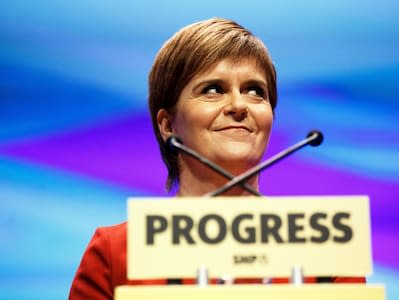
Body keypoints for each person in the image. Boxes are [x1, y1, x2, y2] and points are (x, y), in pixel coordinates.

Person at [69, 17, 364, 300]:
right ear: (168, 125)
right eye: (214, 90)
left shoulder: (325, 246)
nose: (239, 105)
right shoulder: (118, 252)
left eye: (254, 91)